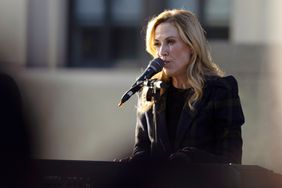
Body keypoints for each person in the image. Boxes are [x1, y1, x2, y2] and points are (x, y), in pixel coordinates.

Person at [126, 9, 245, 165]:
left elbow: (231, 160)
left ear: (191, 46)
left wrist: (189, 158)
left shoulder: (220, 90)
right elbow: (142, 151)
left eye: (170, 41)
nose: (162, 52)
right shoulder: (150, 90)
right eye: (157, 44)